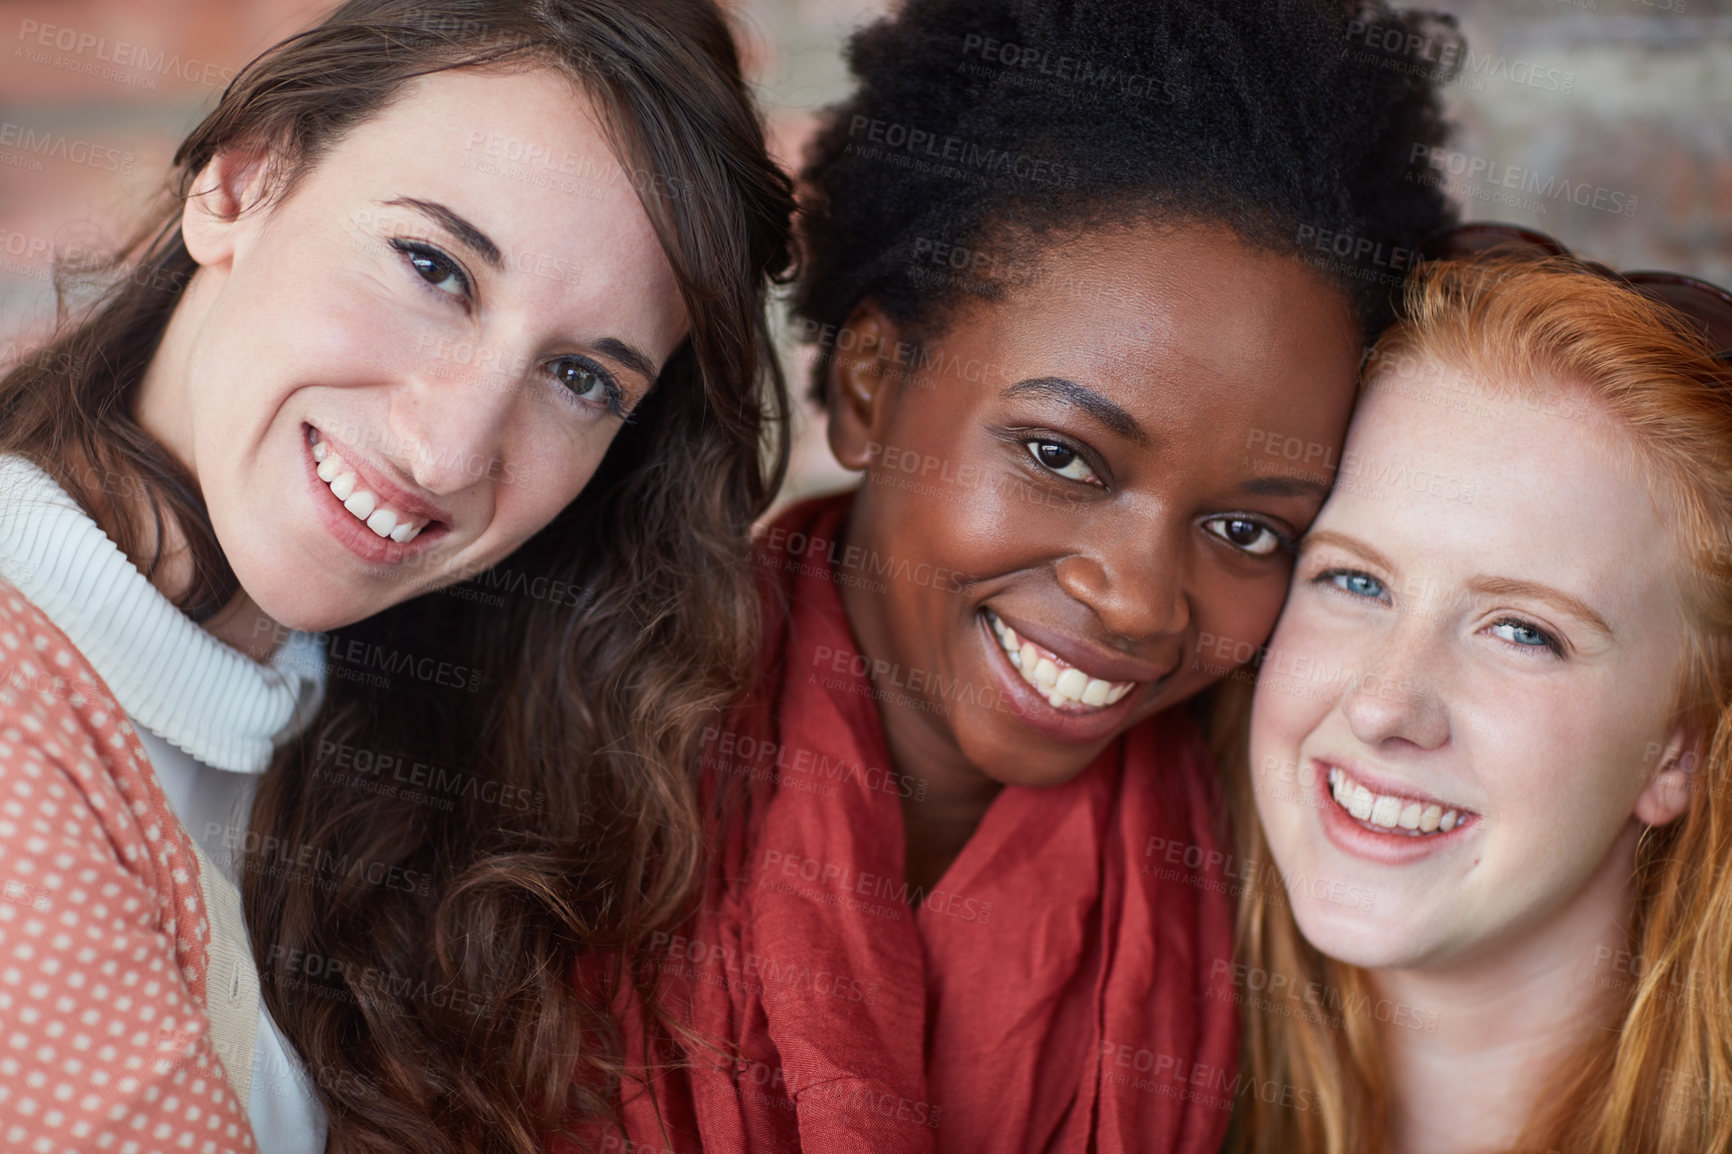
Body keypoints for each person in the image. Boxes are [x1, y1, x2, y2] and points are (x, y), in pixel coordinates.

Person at [592, 1, 1458, 1151]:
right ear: (867, 388)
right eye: (1060, 456)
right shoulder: (562, 767)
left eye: (1250, 531)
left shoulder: (1299, 865)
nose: (1140, 600)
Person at [0, 1, 793, 1150]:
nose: (452, 450)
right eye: (434, 267)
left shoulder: (395, 737)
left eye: (578, 377)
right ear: (238, 180)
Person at [1230, 250, 1732, 1153]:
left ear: (1680, 751)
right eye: (1354, 580)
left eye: (1522, 632)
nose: (1387, 705)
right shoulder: (1127, 1079)